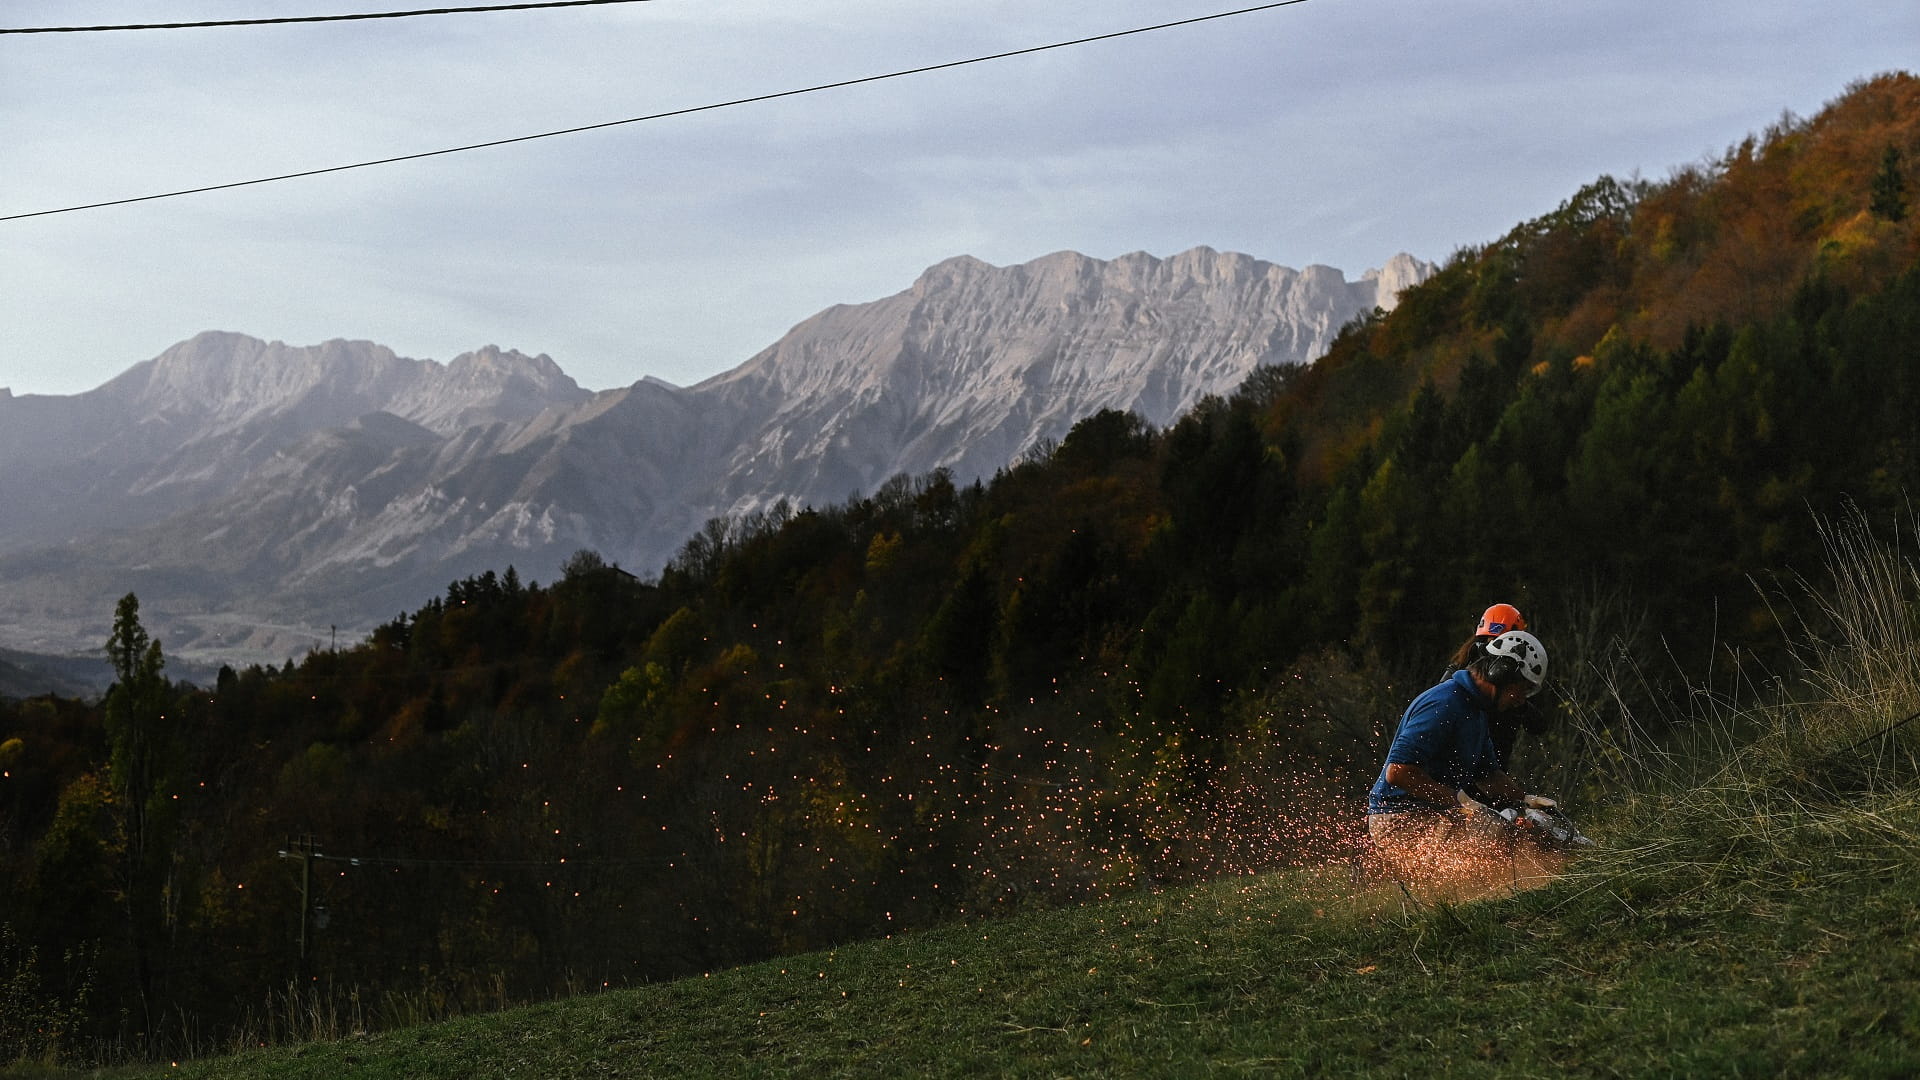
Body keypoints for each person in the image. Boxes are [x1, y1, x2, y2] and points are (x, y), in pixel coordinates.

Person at [1367, 630, 1560, 882]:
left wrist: (1524, 799)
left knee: (1527, 833)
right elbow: (1399, 772)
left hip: (1434, 814)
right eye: (1520, 690)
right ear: (1500, 673)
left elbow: (1489, 775)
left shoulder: (1476, 710)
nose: (1520, 700)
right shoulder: (1444, 704)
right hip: (1400, 821)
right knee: (1501, 843)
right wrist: (1461, 802)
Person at [1447, 603, 1549, 777]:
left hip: (1495, 768)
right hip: (1460, 764)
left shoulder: (1520, 677)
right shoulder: (1461, 669)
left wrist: (1520, 705)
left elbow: (1538, 725)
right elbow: (1440, 703)